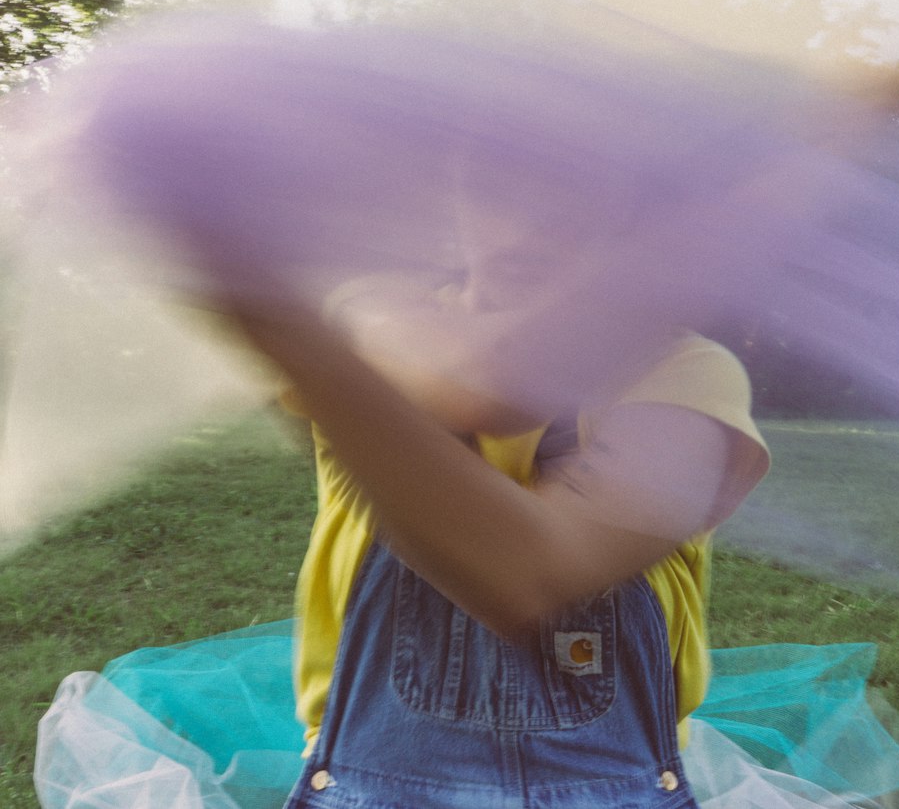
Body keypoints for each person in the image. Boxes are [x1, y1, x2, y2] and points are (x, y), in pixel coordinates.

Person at [232, 162, 770, 809]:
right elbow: (468, 385)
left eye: (572, 179)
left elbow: (528, 574)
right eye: (495, 176)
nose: (532, 217)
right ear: (450, 192)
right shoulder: (373, 317)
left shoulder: (688, 369)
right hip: (369, 789)